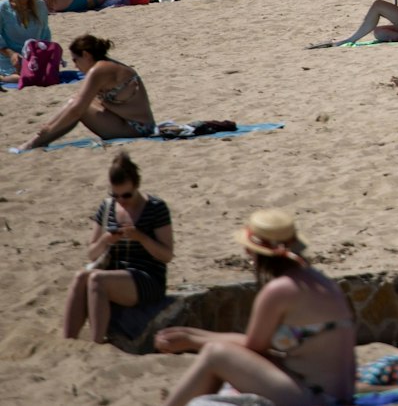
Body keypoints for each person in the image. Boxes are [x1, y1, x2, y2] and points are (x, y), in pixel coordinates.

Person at [155, 210, 355, 406]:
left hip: (316, 398)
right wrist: (191, 335)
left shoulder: (280, 290)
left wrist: (192, 339)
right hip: (337, 394)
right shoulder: (321, 281)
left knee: (215, 353)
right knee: (222, 353)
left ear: (251, 251)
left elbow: (253, 346)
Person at [64, 152, 174, 343]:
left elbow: (166, 255)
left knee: (97, 279)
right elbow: (91, 253)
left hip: (147, 276)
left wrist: (141, 237)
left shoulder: (155, 208)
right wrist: (106, 239)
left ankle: (96, 341)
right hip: (116, 272)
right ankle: (68, 340)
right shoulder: (107, 208)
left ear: (136, 186)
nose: (121, 201)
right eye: (115, 196)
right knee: (81, 277)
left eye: (126, 195)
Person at [14, 35, 156, 149]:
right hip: (139, 125)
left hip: (138, 129)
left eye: (76, 60)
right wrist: (49, 126)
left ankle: (37, 141)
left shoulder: (99, 70)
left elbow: (77, 109)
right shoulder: (107, 65)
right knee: (77, 102)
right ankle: (39, 139)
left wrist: (51, 128)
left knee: (79, 107)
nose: (75, 65)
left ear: (86, 55)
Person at [3, 0, 52, 79]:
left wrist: (44, 54)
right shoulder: (3, 9)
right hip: (8, 58)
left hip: (34, 56)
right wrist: (11, 54)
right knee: (25, 76)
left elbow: (45, 34)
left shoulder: (40, 6)